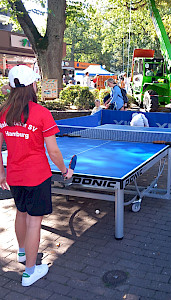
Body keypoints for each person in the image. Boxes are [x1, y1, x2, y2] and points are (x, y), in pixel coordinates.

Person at [0, 65, 74, 286]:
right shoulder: (41, 113)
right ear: (33, 85)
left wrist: (1, 174)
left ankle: (22, 253)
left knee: (21, 213)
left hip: (14, 176)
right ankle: (30, 272)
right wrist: (64, 170)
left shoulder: (4, 113)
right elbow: (53, 151)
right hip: (37, 176)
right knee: (34, 223)